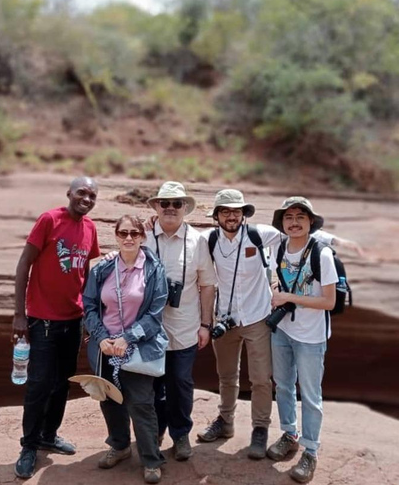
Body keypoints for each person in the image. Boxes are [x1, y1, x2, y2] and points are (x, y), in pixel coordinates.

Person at [196, 189, 359, 460]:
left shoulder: (260, 234)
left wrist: (338, 240)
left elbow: (301, 233)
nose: (231, 216)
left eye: (236, 211)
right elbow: (184, 243)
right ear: (216, 216)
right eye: (225, 211)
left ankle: (260, 429)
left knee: (261, 379)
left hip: (259, 318)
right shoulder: (208, 239)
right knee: (226, 376)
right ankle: (225, 421)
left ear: (244, 214)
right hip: (224, 319)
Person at [11, 177, 100, 479]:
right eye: (81, 193)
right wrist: (19, 315)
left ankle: (50, 434)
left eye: (91, 195)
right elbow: (24, 264)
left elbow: (88, 271)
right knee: (38, 384)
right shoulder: (49, 220)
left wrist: (89, 315)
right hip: (42, 321)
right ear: (69, 194)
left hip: (72, 320)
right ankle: (29, 445)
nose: (86, 199)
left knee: (62, 382)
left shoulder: (90, 228)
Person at [82, 215, 169, 484]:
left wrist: (127, 338)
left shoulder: (154, 269)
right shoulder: (103, 269)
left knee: (141, 403)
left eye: (134, 233)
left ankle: (151, 459)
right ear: (116, 236)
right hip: (105, 347)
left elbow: (155, 314)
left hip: (138, 348)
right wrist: (101, 338)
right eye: (123, 233)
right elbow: (90, 305)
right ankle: (119, 446)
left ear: (143, 236)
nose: (128, 238)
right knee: (109, 399)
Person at [266, 197, 338, 484]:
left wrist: (289, 298)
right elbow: (276, 275)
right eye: (289, 218)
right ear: (283, 223)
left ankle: (310, 450)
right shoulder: (280, 247)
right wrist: (276, 289)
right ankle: (289, 434)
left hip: (311, 336)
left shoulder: (322, 254)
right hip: (283, 330)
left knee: (310, 395)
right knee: (283, 385)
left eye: (300, 217)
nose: (294, 222)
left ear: (310, 222)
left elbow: (330, 301)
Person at [144, 182, 217, 462]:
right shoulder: (145, 236)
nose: (171, 208)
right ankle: (154, 431)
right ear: (156, 207)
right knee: (151, 384)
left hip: (185, 326)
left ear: (185, 208)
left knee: (181, 383)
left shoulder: (197, 241)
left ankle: (181, 434)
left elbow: (207, 285)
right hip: (150, 328)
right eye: (165, 203)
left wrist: (205, 325)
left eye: (177, 204)